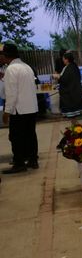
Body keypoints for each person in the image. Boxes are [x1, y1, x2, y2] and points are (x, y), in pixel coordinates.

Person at [1, 43, 39, 174]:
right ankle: (33, 160)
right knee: (30, 135)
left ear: (5, 56)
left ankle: (19, 163)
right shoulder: (26, 67)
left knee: (16, 137)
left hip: (19, 109)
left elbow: (11, 93)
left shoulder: (11, 69)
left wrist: (7, 111)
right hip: (31, 108)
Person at [56, 52, 82, 121]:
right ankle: (75, 126)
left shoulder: (70, 68)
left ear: (67, 59)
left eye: (63, 59)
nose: (62, 60)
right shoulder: (72, 66)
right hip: (74, 91)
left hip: (72, 93)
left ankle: (80, 125)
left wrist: (58, 77)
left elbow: (65, 79)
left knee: (74, 112)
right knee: (75, 112)